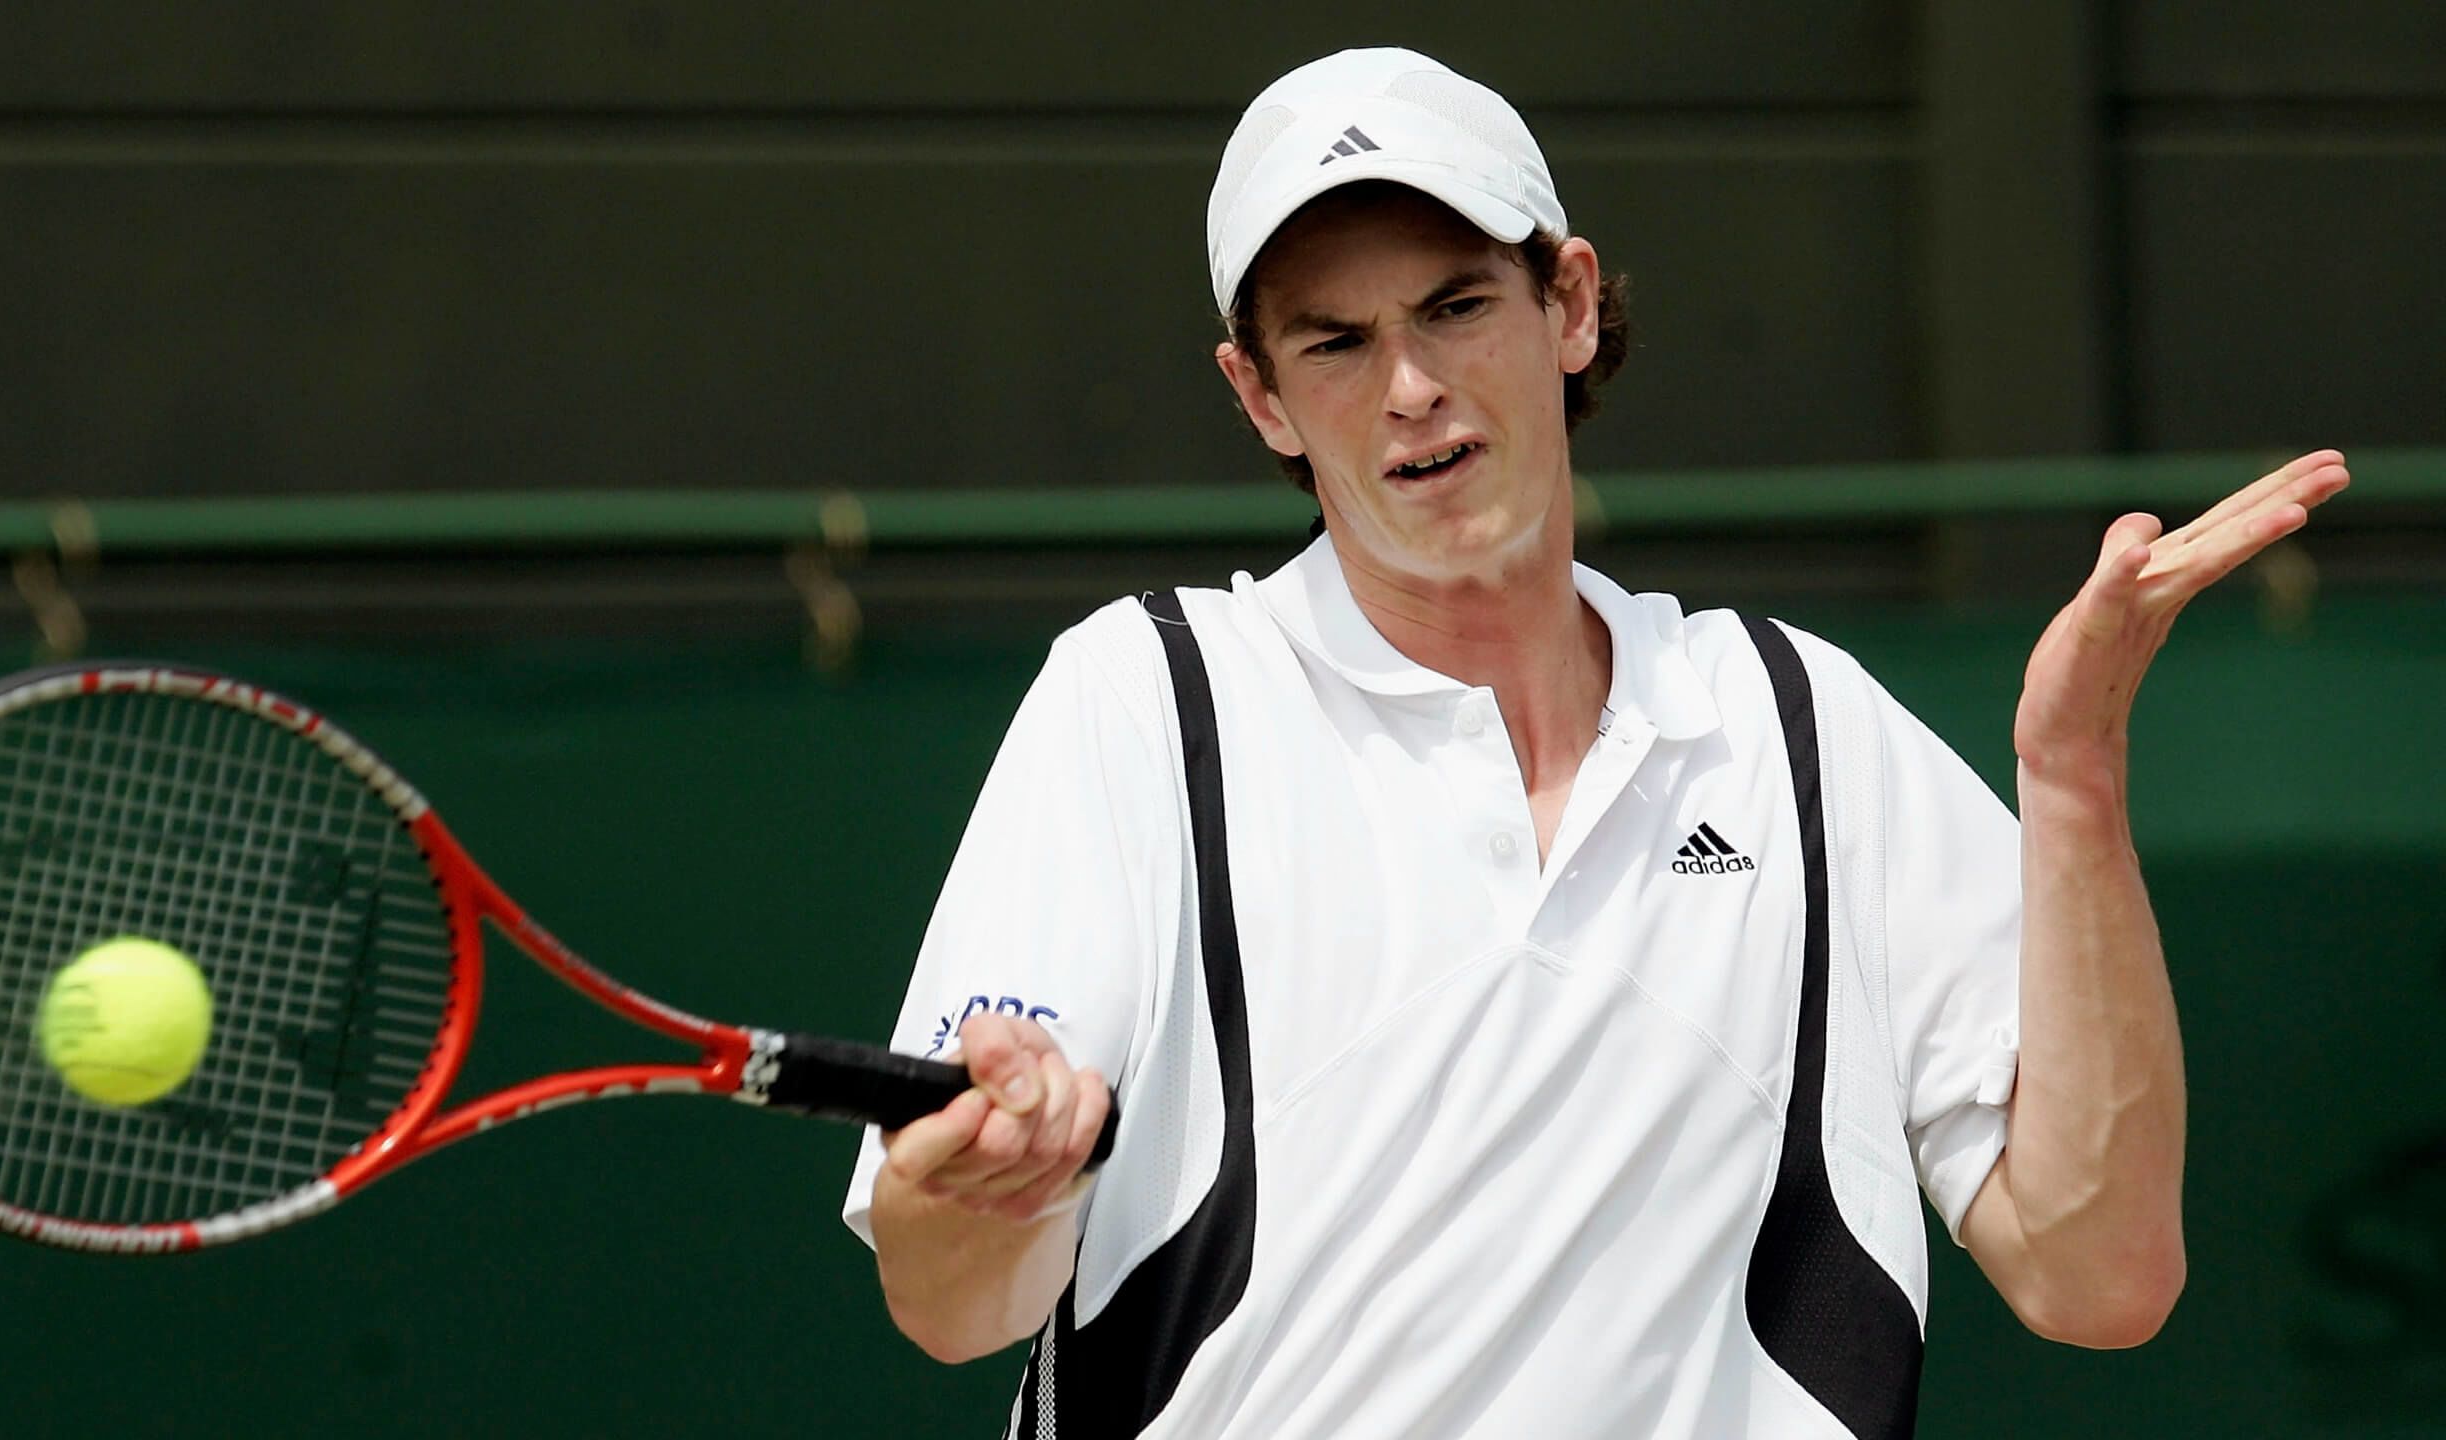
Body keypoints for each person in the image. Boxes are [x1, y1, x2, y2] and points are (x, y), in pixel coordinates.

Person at [841, 46, 2349, 1439]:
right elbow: (952, 1306)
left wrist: (2073, 785)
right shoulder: (1143, 703)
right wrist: (993, 1187)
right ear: (1263, 399)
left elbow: (2101, 1275)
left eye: (1454, 306)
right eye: (1336, 343)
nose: (1413, 390)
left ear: (1566, 303)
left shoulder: (1804, 727)